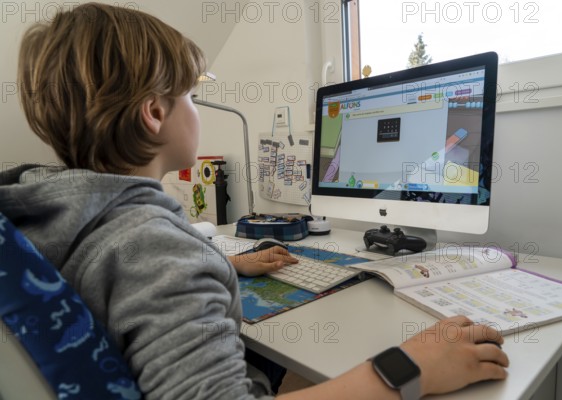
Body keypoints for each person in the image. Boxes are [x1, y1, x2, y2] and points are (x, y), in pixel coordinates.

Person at [1, 3, 509, 399]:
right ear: (154, 113)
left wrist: (223, 265)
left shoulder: (45, 209)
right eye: (191, 96)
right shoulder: (158, 253)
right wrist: (410, 368)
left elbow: (117, 272)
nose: (196, 108)